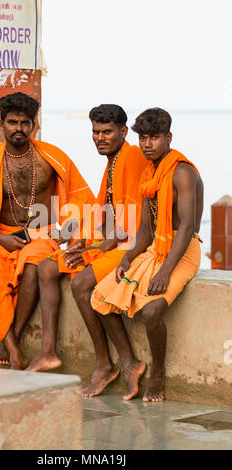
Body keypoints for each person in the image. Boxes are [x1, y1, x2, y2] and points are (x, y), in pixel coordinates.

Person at [0, 92, 95, 370]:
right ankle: (14, 351)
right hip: (1, 236)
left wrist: (69, 230)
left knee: (33, 265)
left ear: (35, 124)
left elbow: (79, 198)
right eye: (12, 122)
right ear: (1, 124)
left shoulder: (52, 159)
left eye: (25, 122)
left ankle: (11, 342)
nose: (19, 128)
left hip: (41, 234)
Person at [26, 104, 148, 396]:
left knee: (82, 284)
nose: (100, 138)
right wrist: (82, 240)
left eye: (107, 132)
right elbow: (103, 213)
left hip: (131, 246)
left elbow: (136, 219)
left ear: (123, 131)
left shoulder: (132, 157)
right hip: (113, 240)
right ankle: (48, 352)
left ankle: (116, 363)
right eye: (95, 132)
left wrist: (97, 244)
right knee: (47, 267)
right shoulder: (113, 161)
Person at [91, 107, 204, 402]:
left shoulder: (182, 172)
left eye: (153, 138)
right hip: (155, 248)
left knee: (152, 310)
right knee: (99, 297)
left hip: (182, 250)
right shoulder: (149, 172)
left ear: (168, 137)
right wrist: (128, 257)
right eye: (143, 139)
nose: (146, 145)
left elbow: (188, 225)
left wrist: (165, 270)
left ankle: (158, 374)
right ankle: (129, 363)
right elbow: (144, 229)